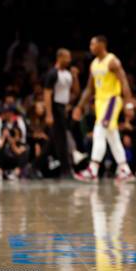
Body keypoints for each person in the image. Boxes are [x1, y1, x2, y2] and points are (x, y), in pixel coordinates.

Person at [72, 36, 136, 183]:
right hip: (100, 103)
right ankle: (124, 168)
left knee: (99, 132)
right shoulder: (94, 64)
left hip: (112, 100)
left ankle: (92, 169)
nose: (90, 47)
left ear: (102, 44)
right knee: (112, 136)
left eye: (93, 44)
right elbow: (89, 89)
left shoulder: (112, 61)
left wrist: (129, 104)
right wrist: (79, 106)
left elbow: (124, 82)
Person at [44, 48, 81, 178]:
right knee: (62, 140)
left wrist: (75, 77)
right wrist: (49, 114)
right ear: (59, 57)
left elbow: (75, 92)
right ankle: (66, 170)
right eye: (67, 57)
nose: (69, 60)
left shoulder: (68, 74)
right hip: (55, 107)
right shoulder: (53, 73)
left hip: (63, 108)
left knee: (55, 140)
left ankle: (35, 166)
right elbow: (47, 94)